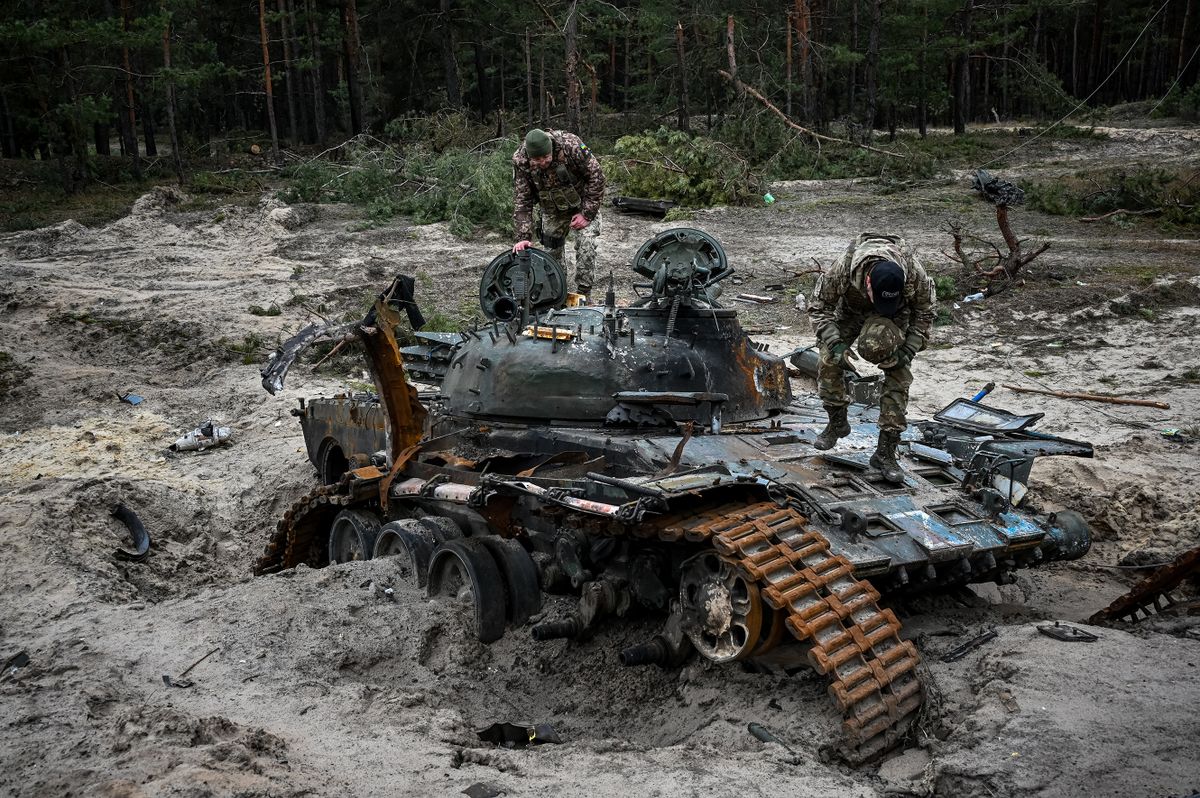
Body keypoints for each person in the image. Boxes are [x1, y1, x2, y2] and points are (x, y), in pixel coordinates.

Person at [807, 233, 936, 483]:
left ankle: (886, 452)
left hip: (895, 316)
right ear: (867, 282)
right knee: (828, 360)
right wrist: (835, 342)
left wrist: (908, 349)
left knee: (899, 375)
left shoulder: (914, 272)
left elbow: (925, 312)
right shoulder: (843, 268)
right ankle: (837, 423)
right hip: (851, 311)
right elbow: (818, 307)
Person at [512, 128, 605, 297]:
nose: (542, 162)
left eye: (545, 157)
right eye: (537, 159)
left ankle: (584, 293)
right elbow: (522, 199)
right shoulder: (521, 160)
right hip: (552, 209)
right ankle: (557, 294)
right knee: (551, 254)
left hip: (582, 203)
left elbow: (596, 176)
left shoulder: (571, 146)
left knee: (586, 245)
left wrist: (586, 214)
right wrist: (523, 237)